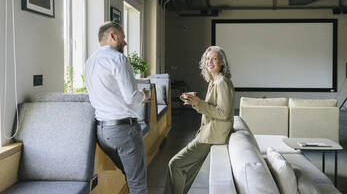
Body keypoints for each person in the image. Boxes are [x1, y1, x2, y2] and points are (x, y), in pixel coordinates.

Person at [85, 21, 150, 194]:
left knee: (131, 176)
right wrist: (145, 95)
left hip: (102, 132)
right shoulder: (118, 58)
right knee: (138, 182)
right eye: (123, 38)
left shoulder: (90, 61)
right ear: (113, 36)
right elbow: (131, 97)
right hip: (124, 131)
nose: (125, 43)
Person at [164, 46, 235, 194]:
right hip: (209, 133)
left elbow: (224, 113)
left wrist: (198, 102)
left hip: (213, 136)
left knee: (175, 164)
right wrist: (194, 102)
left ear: (222, 62)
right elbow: (210, 108)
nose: (210, 62)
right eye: (208, 59)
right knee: (187, 171)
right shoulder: (214, 81)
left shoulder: (222, 82)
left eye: (214, 58)